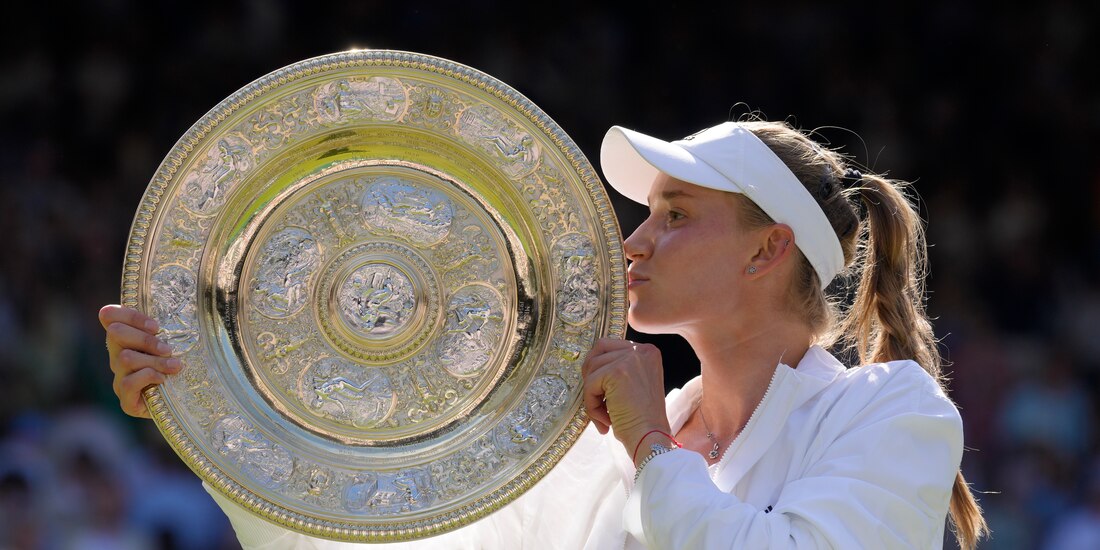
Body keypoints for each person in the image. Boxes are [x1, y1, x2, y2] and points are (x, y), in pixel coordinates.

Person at [100, 117, 988, 549]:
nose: (633, 241)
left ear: (767, 250)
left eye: (674, 215)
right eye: (647, 213)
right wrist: (216, 424)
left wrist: (648, 441)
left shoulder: (889, 411)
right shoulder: (580, 444)